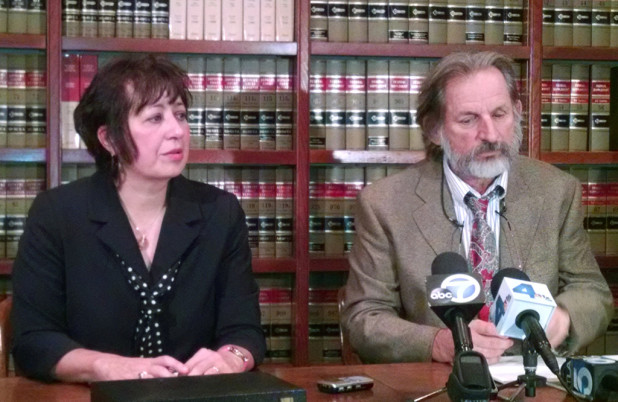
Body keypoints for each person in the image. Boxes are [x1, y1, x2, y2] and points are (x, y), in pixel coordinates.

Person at [341, 51, 613, 365]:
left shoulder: (556, 191)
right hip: (438, 381)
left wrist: (563, 319)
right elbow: (364, 317)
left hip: (533, 379)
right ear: (434, 130)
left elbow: (592, 292)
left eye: (500, 114)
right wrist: (438, 344)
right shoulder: (385, 204)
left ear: (518, 112)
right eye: (469, 120)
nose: (490, 135)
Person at [11, 54, 265, 383]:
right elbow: (34, 341)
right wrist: (104, 366)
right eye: (154, 118)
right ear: (109, 139)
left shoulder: (220, 211)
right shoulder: (58, 213)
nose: (177, 132)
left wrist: (231, 358)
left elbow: (245, 331)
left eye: (180, 115)